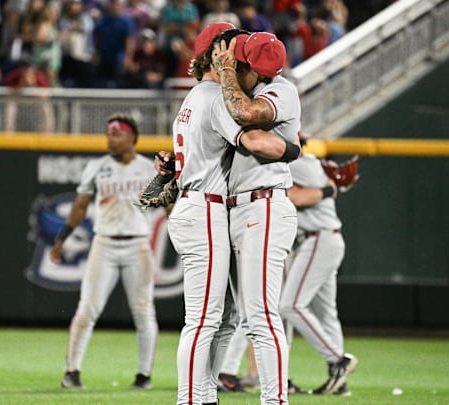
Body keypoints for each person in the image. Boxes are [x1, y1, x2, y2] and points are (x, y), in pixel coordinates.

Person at [156, 22, 302, 405]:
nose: (237, 63)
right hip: (211, 207)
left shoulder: (265, 91)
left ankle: (238, 398)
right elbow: (251, 138)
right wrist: (294, 150)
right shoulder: (216, 95)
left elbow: (247, 123)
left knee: (243, 317)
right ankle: (195, 398)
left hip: (254, 204)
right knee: (209, 320)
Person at [213, 30, 301, 405]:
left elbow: (246, 114)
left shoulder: (282, 90)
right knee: (244, 318)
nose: (235, 68)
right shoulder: (247, 87)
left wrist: (225, 72)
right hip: (239, 208)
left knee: (262, 316)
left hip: (264, 206)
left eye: (242, 64)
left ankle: (275, 400)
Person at [51, 113, 159, 391]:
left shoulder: (149, 168)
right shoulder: (97, 167)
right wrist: (62, 238)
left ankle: (144, 375)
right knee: (87, 308)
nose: (110, 139)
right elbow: (80, 205)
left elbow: (170, 207)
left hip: (138, 243)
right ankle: (71, 372)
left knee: (144, 311)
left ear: (132, 137)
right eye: (108, 134)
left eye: (117, 134)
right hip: (105, 243)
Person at [279, 133, 358, 396]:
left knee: (290, 305)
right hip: (326, 240)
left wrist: (328, 189)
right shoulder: (311, 162)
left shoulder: (299, 164)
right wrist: (331, 187)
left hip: (317, 240)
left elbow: (297, 198)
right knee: (326, 314)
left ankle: (338, 360)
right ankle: (340, 383)